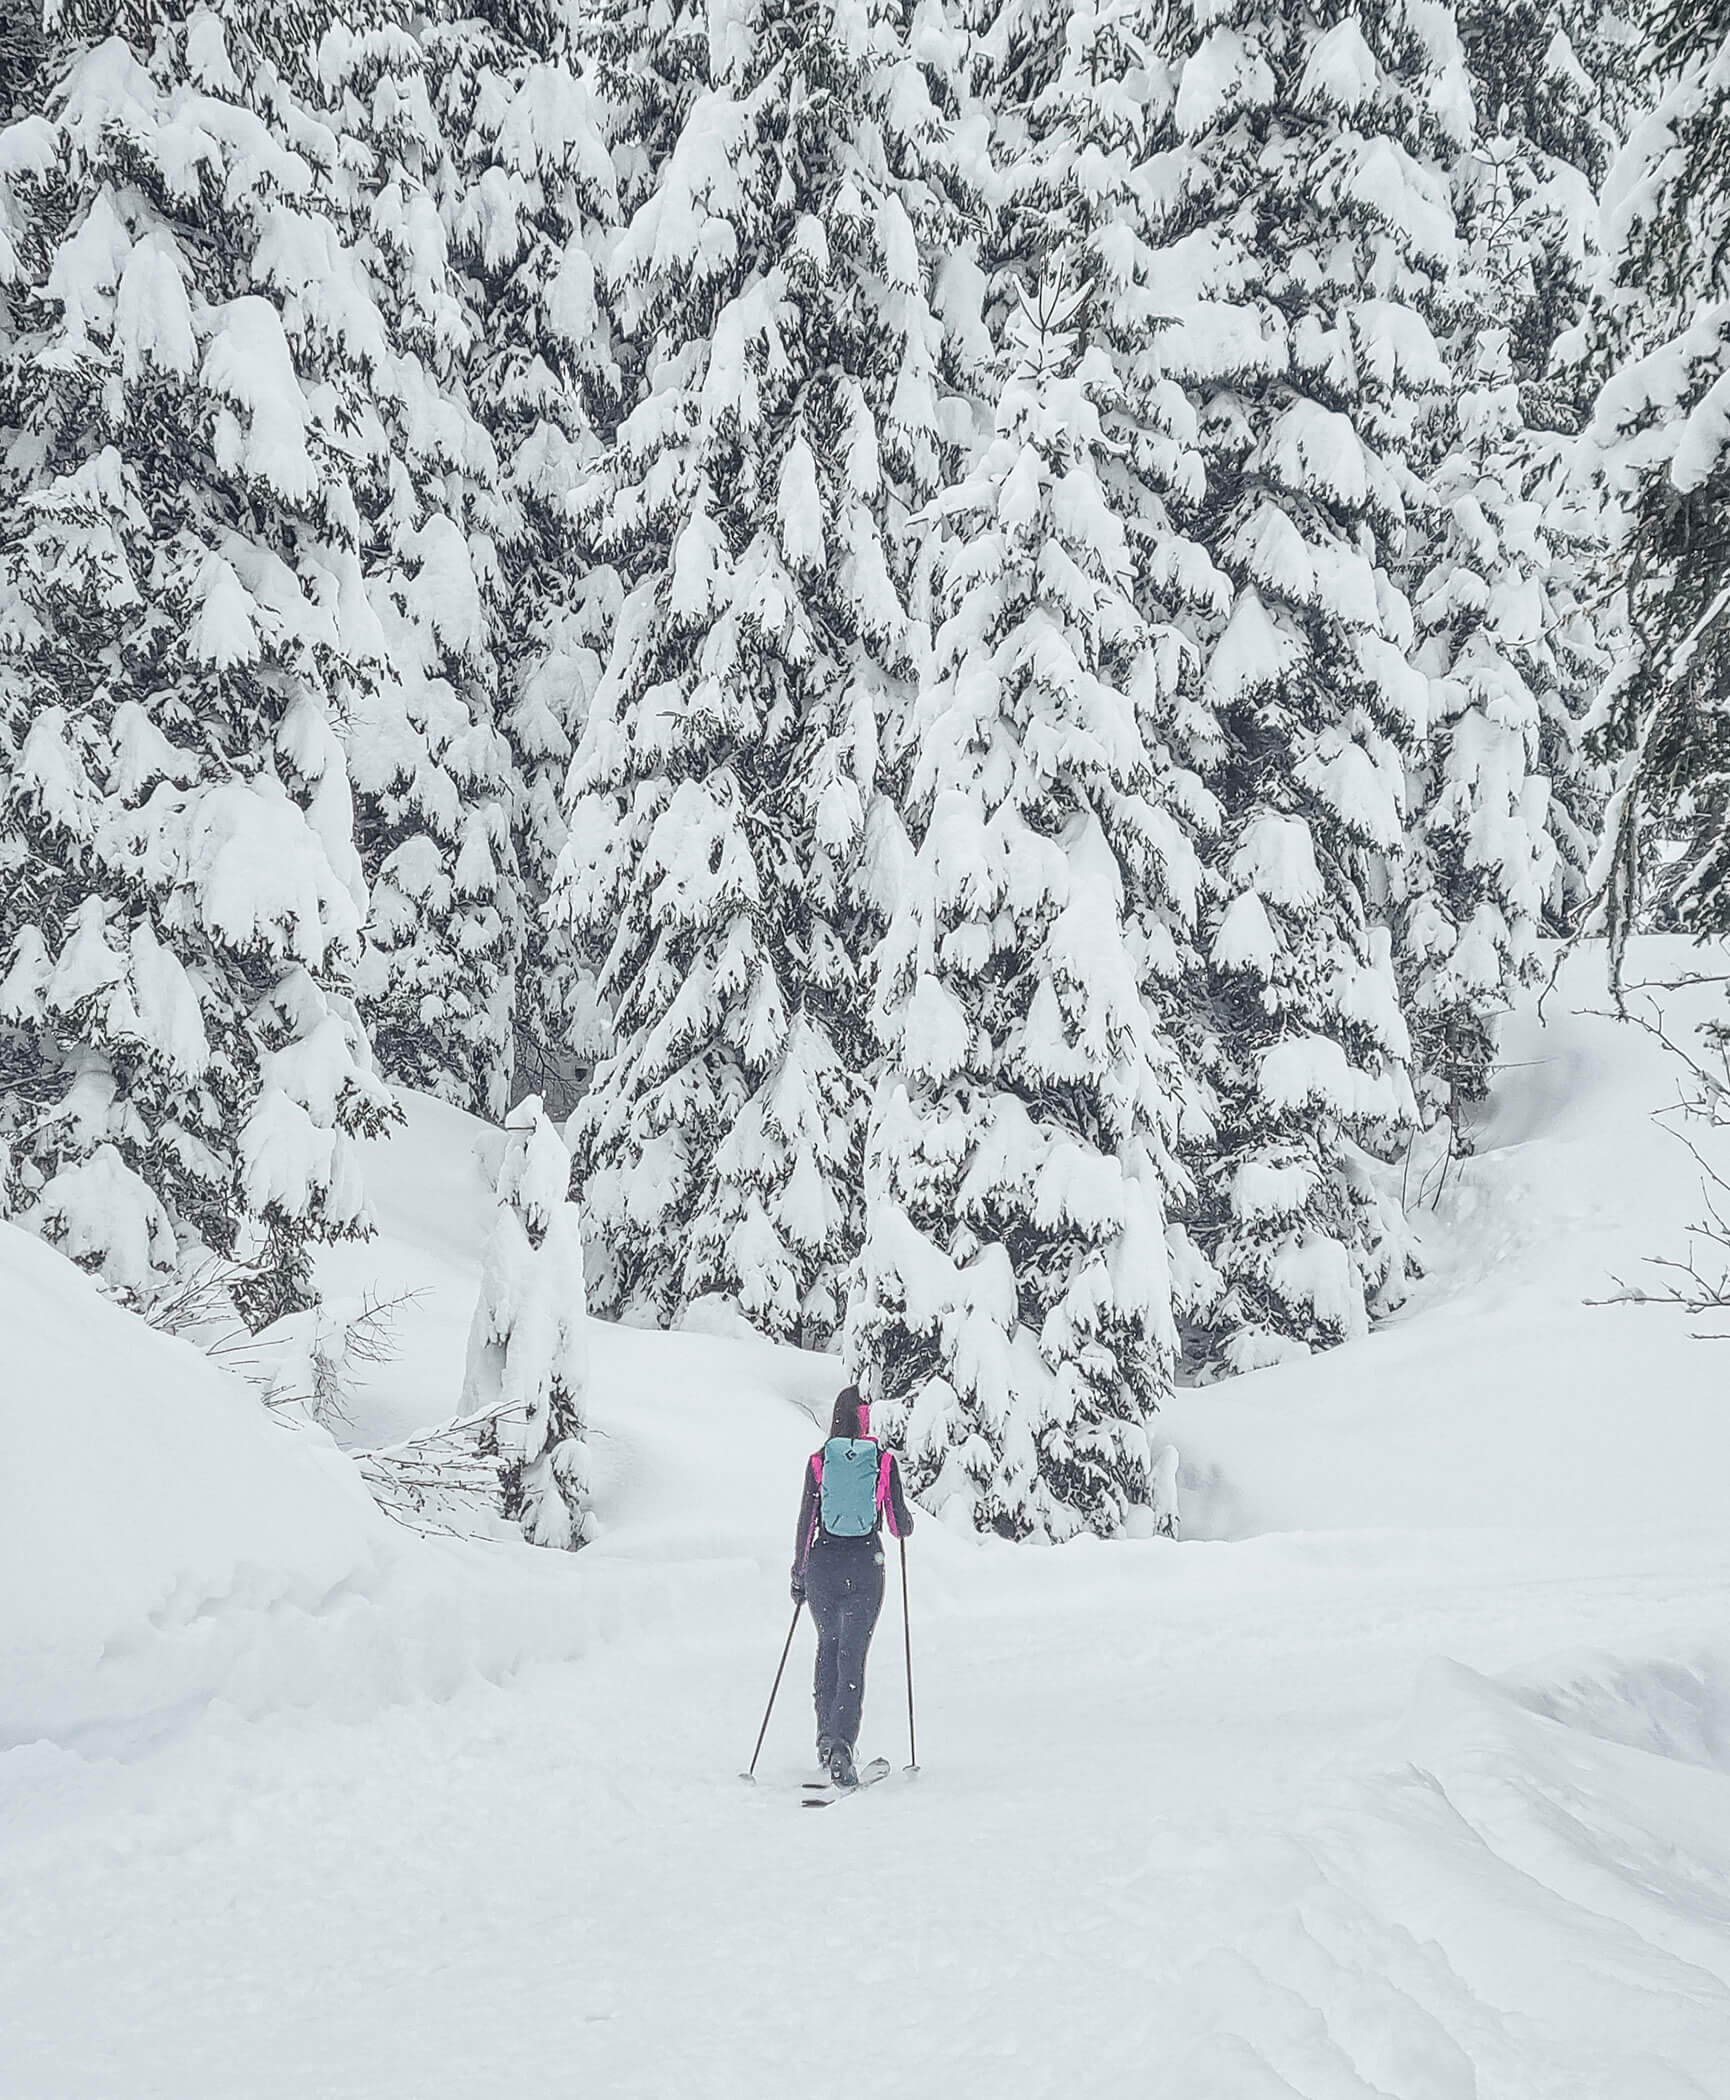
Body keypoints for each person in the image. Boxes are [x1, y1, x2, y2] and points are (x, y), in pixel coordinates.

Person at [790, 1383, 914, 1789]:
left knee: (827, 1646)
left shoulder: (818, 1460)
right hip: (865, 1564)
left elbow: (807, 1520)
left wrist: (799, 1572)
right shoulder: (881, 1461)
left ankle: (826, 1739)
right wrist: (903, 1519)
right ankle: (843, 1742)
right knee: (852, 1655)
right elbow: (898, 1524)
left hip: (823, 1564)